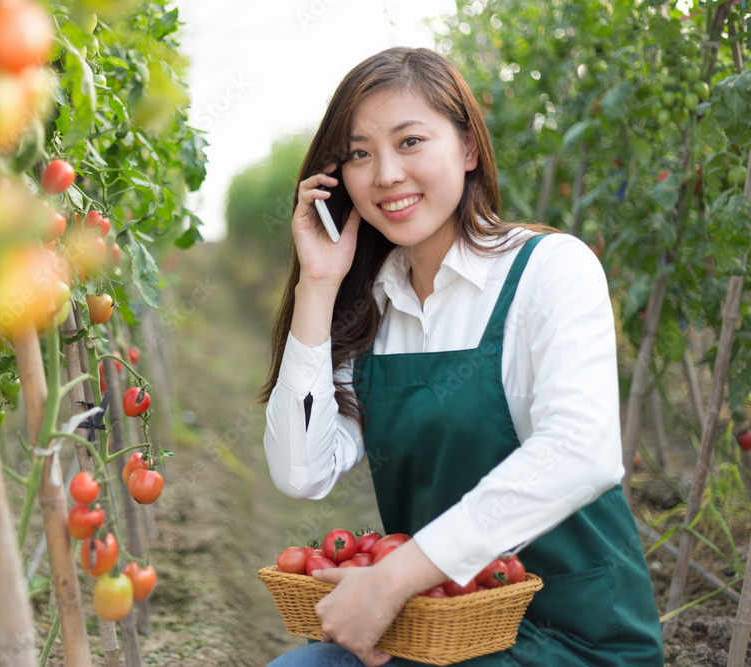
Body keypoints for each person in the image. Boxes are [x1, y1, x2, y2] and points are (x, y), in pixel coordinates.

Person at [261, 47, 664, 667]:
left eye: (411, 141)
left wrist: (392, 581)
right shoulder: (371, 309)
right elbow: (301, 473)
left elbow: (581, 449)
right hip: (436, 629)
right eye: (360, 153)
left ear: (469, 149)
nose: (386, 174)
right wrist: (318, 284)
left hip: (577, 637)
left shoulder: (549, 271)